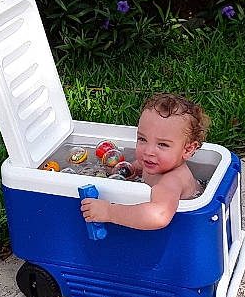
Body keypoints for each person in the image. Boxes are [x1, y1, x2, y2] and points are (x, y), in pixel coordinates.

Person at [80, 93, 210, 230]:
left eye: (163, 144)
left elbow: (158, 216)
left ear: (188, 150)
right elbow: (135, 167)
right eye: (142, 139)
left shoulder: (171, 181)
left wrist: (109, 212)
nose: (148, 151)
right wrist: (123, 171)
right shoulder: (154, 162)